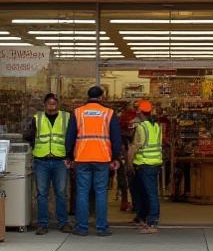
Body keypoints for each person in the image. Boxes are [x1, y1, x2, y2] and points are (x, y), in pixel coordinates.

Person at [67, 85, 121, 237]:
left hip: (82, 157)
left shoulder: (78, 112)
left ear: (88, 96)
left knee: (82, 192)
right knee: (101, 193)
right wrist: (115, 157)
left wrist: (69, 156)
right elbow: (116, 138)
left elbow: (70, 136)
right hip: (102, 158)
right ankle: (101, 227)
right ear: (102, 96)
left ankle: (82, 227)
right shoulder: (109, 113)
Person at [22, 92, 71, 235]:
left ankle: (63, 223)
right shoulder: (37, 118)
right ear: (44, 105)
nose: (52, 105)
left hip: (60, 160)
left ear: (58, 104)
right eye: (49, 103)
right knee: (42, 193)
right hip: (41, 160)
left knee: (61, 193)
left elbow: (71, 137)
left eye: (54, 103)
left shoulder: (66, 117)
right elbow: (28, 135)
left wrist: (70, 157)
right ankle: (42, 224)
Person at [128, 99, 163, 234]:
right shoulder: (156, 126)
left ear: (140, 112)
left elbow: (134, 147)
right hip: (154, 163)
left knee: (149, 193)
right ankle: (142, 218)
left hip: (144, 164)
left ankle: (152, 222)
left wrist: (129, 163)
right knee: (146, 192)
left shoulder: (141, 128)